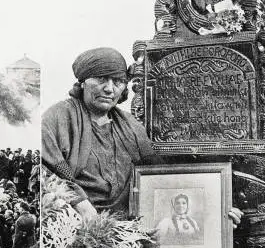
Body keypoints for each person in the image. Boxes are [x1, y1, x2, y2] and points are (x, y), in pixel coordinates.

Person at [41, 47, 243, 226]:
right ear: (83, 82)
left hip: (130, 224)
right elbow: (48, 173)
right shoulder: (57, 118)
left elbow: (160, 177)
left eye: (118, 81)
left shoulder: (131, 126)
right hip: (75, 222)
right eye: (101, 79)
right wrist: (82, 206)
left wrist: (216, 210)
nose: (110, 88)